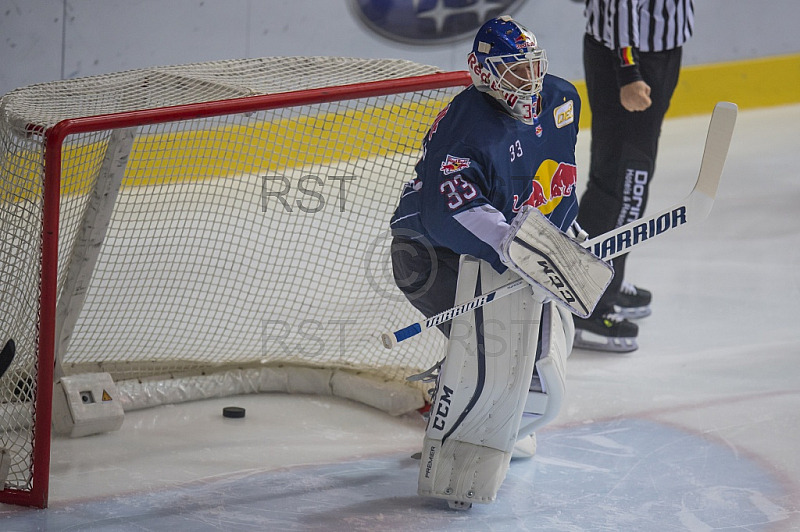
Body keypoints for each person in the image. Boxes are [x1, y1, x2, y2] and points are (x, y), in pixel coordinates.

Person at [387, 16, 586, 507]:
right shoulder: (468, 127)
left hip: (495, 245)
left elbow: (557, 171)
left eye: (532, 66)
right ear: (485, 74)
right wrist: (516, 249)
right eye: (515, 71)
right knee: (495, 347)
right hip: (428, 253)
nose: (530, 80)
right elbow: (448, 212)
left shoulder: (561, 99)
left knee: (529, 345)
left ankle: (476, 386)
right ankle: (460, 407)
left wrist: (565, 232)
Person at [574, 0, 695, 352]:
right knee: (623, 184)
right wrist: (628, 70)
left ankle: (607, 278)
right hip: (630, 59)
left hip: (655, 52)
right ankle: (588, 305)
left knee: (625, 176)